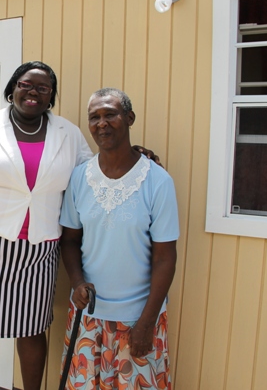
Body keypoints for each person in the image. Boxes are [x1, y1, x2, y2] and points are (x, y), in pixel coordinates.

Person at [0, 63, 159, 390]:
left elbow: (92, 170)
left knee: (32, 329)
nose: (33, 92)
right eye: (26, 84)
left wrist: (132, 155)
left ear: (51, 97)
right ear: (13, 88)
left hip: (42, 249)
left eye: (43, 88)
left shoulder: (68, 133)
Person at [58, 88, 179, 390]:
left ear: (129, 118)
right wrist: (76, 282)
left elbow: (165, 257)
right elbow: (70, 240)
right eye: (94, 117)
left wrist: (146, 324)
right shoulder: (79, 178)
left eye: (110, 114)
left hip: (138, 319)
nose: (102, 123)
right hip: (88, 316)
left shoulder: (157, 181)